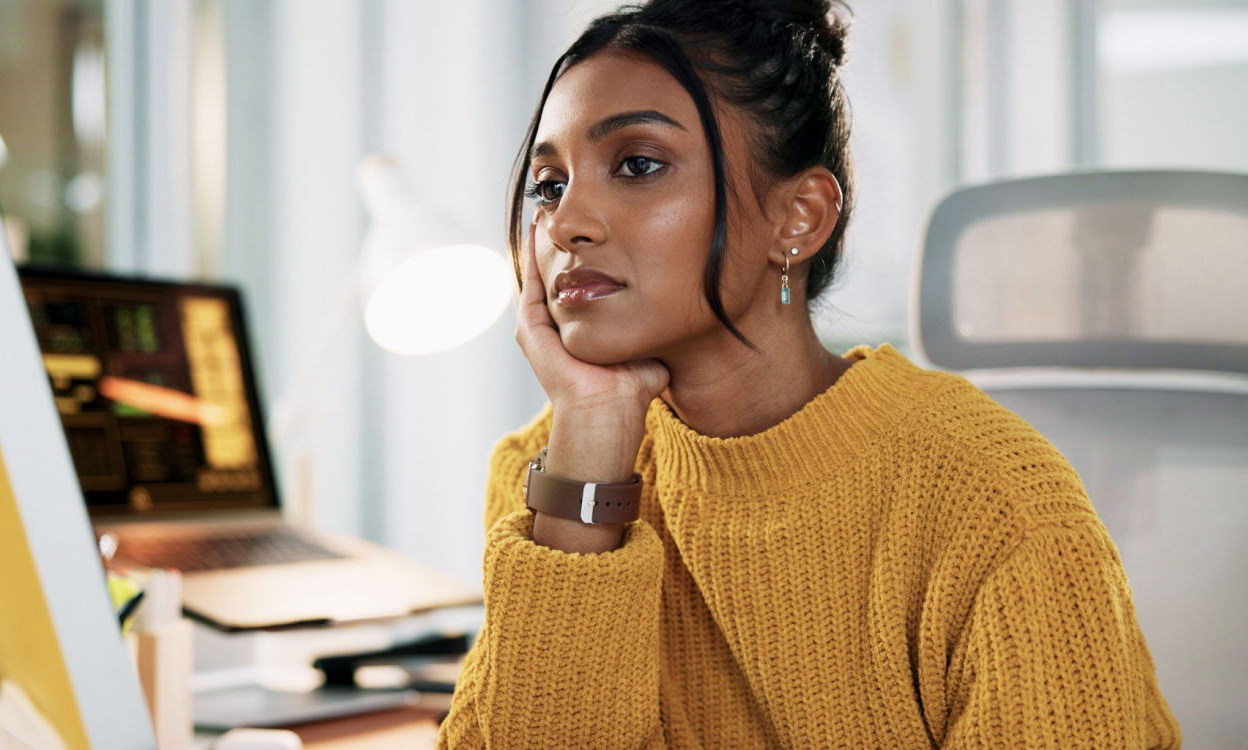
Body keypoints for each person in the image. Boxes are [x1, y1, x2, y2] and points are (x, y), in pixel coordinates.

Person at [434, 1, 1181, 747]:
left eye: (637, 165)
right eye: (548, 184)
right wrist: (591, 438)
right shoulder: (556, 474)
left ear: (798, 218)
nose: (566, 223)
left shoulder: (993, 504)